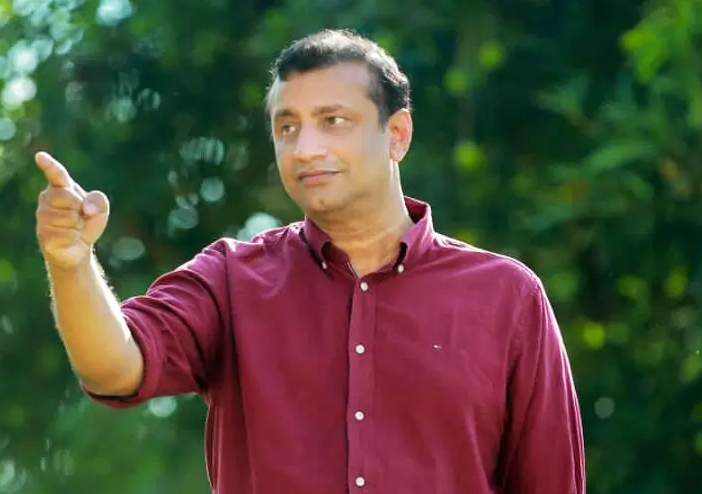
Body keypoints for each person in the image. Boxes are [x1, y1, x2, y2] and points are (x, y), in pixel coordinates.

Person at [35, 28, 585, 494]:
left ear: (397, 135)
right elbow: (115, 367)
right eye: (287, 127)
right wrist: (70, 263)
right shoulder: (230, 279)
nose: (304, 149)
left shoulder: (507, 297)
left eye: (333, 121)